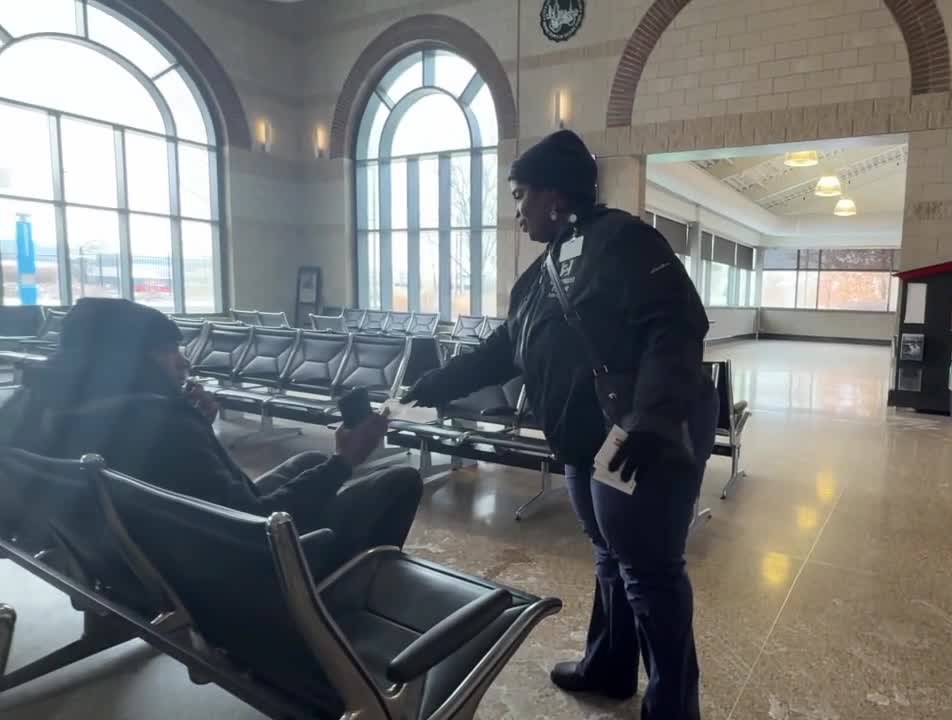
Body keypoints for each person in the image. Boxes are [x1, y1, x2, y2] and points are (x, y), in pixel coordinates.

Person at [401, 129, 717, 720]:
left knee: (650, 573)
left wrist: (651, 419)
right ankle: (610, 665)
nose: (516, 210)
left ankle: (673, 708)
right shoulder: (540, 273)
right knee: (609, 556)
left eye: (519, 195)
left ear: (554, 196)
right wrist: (438, 383)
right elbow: (504, 348)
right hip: (583, 442)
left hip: (637, 441)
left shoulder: (625, 241)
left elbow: (675, 325)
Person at [0, 298, 423, 567]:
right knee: (400, 481)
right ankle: (351, 596)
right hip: (223, 567)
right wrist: (345, 461)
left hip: (110, 554)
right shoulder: (162, 424)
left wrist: (196, 426)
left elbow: (176, 476)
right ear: (130, 360)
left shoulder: (31, 405)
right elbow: (250, 522)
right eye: (169, 350)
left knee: (310, 460)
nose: (183, 362)